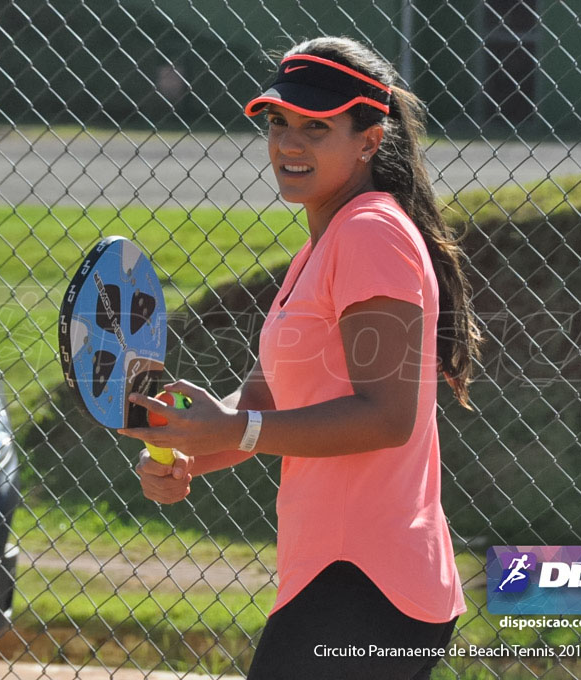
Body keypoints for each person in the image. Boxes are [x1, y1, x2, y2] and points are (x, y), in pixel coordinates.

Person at [120, 35, 482, 680]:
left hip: (370, 581)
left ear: (370, 139)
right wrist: (186, 442)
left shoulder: (371, 233)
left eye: (317, 128)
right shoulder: (323, 246)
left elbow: (387, 417)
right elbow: (261, 407)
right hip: (336, 575)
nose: (289, 144)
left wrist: (235, 429)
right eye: (279, 123)